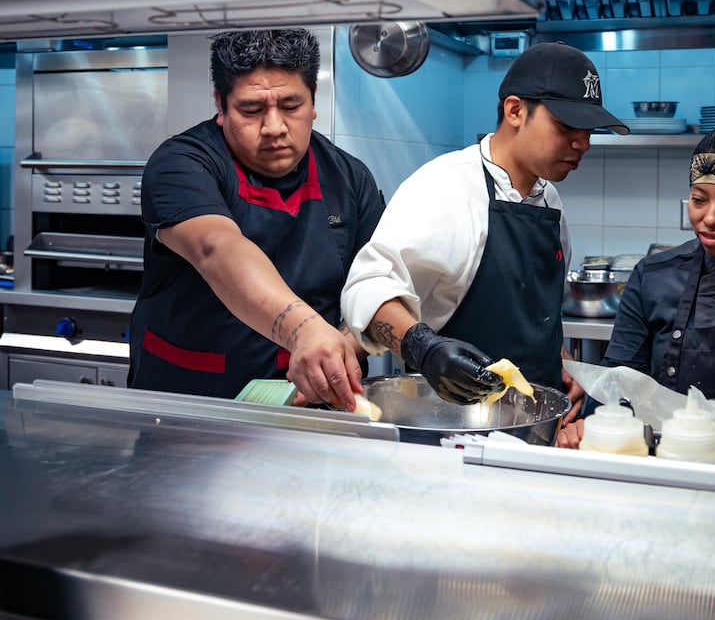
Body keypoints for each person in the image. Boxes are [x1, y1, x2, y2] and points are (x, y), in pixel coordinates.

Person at [340, 41, 628, 410]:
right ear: (515, 111)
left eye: (590, 131)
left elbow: (532, 313)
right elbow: (369, 286)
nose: (583, 144)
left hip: (534, 420)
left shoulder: (549, 199)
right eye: (568, 125)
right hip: (454, 421)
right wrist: (423, 348)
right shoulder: (445, 186)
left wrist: (560, 359)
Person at [127, 28, 384, 406]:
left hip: (305, 410)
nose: (274, 128)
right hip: (190, 402)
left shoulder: (349, 177)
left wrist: (334, 358)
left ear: (314, 101)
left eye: (291, 106)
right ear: (221, 104)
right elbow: (217, 248)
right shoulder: (182, 164)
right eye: (252, 109)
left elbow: (374, 284)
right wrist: (307, 331)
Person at [558, 121, 715, 447]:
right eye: (699, 200)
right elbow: (616, 383)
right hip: (671, 459)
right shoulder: (655, 276)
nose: (710, 217)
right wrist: (591, 424)